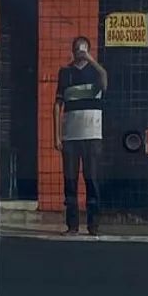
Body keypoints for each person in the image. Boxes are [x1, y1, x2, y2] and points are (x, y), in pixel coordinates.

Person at [54, 35, 108, 235]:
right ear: (72, 50)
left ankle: (93, 225)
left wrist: (91, 60)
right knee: (70, 181)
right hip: (70, 138)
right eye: (76, 49)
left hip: (92, 136)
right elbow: (57, 105)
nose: (80, 52)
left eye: (83, 49)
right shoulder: (65, 73)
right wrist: (57, 136)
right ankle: (72, 225)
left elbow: (105, 81)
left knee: (91, 180)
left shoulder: (96, 73)